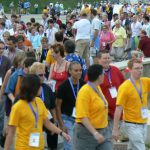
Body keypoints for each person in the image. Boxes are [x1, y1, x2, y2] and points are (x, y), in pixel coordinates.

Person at [4, 74, 71, 150]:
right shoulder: (18, 107)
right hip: (24, 147)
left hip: (39, 146)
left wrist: (62, 133)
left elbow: (48, 123)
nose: (41, 88)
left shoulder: (39, 102)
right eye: (39, 86)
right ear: (34, 88)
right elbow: (11, 132)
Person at [112, 58, 150, 150]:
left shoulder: (145, 81)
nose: (140, 70)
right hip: (132, 124)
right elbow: (119, 108)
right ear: (130, 69)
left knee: (133, 147)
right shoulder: (125, 87)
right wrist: (115, 128)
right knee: (141, 148)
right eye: (137, 68)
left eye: (141, 68)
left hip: (144, 122)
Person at [74, 64, 112, 150]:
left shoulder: (97, 87)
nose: (104, 76)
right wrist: (95, 133)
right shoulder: (84, 92)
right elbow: (83, 116)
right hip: (87, 134)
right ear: (99, 76)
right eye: (103, 74)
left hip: (103, 131)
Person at [29, 62, 58, 150]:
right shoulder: (28, 89)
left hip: (47, 117)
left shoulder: (46, 88)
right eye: (40, 75)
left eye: (44, 74)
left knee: (53, 137)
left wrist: (55, 122)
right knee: (35, 145)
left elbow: (53, 107)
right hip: (34, 122)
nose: (44, 77)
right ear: (33, 76)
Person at [56, 62, 85, 150]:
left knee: (79, 145)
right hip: (67, 118)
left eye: (80, 70)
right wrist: (61, 124)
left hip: (80, 119)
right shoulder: (63, 87)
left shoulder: (84, 84)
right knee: (70, 145)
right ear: (70, 71)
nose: (79, 72)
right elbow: (57, 106)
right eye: (76, 70)